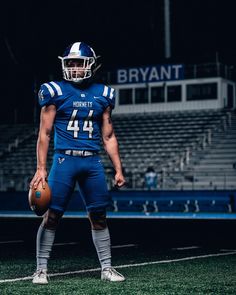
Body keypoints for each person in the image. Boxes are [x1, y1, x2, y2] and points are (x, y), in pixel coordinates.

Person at [30, 42, 126, 284]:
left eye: (79, 62)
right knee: (51, 216)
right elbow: (44, 133)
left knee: (99, 216)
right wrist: (41, 168)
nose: (74, 67)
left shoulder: (103, 94)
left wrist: (118, 169)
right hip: (64, 160)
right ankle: (41, 269)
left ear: (91, 65)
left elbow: (109, 135)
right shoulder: (54, 91)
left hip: (92, 163)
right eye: (70, 62)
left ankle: (106, 268)